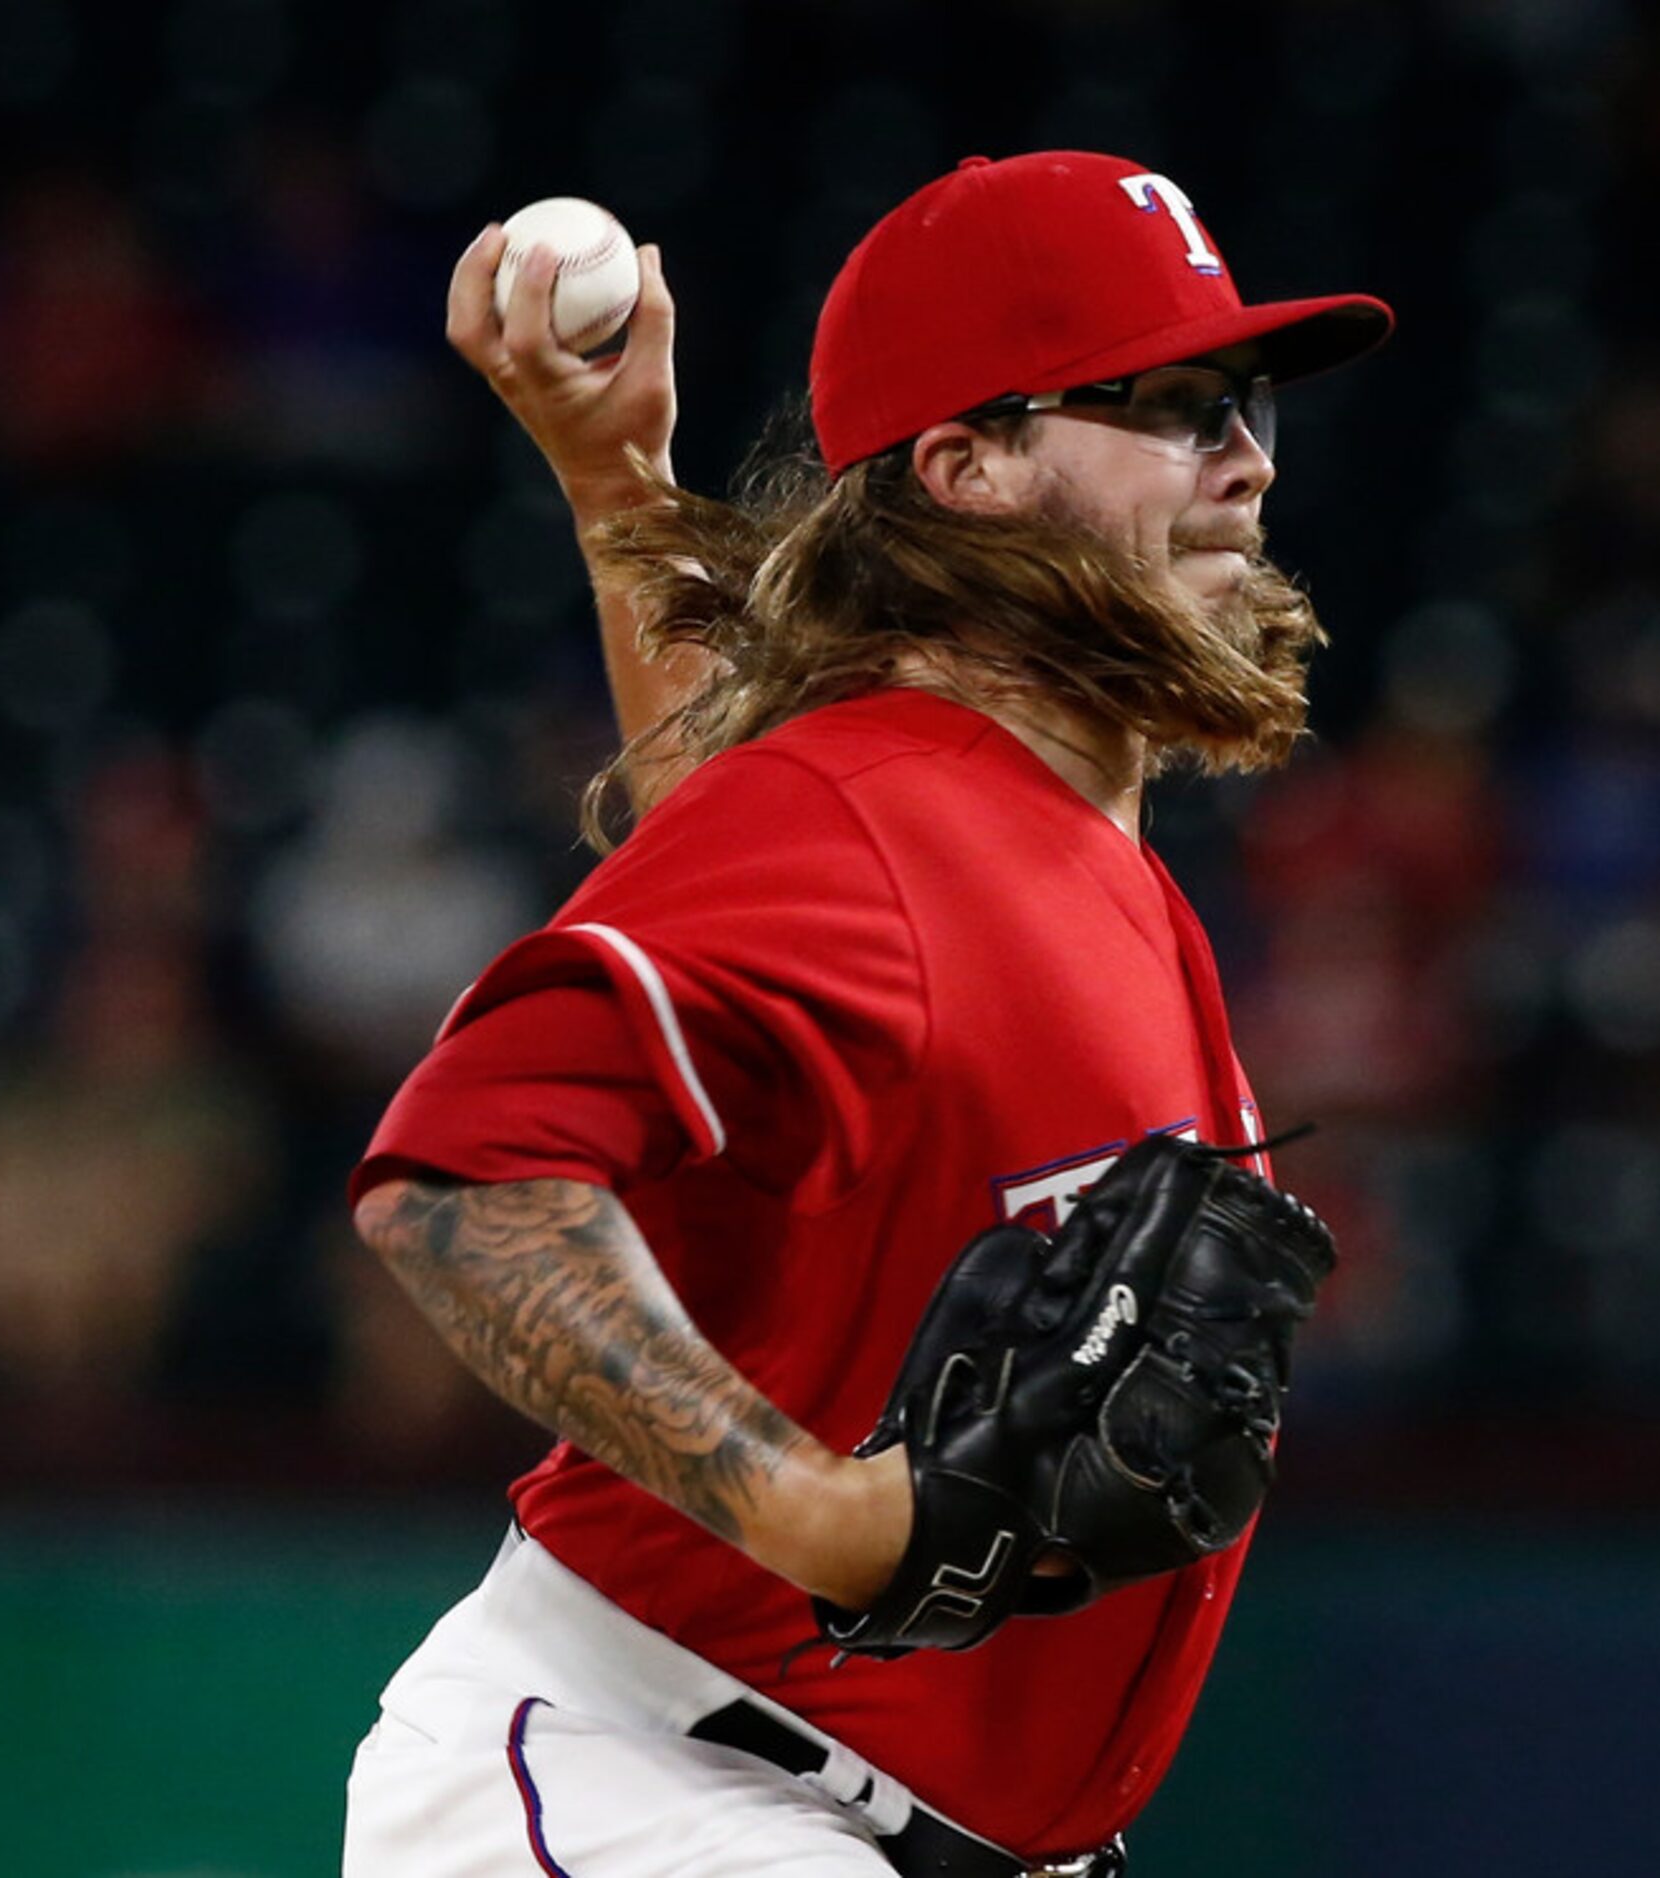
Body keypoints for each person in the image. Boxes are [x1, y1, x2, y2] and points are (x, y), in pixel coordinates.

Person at [341, 150, 1391, 1878]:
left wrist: (619, 493)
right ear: (966, 467)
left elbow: (751, 850)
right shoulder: (865, 813)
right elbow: (461, 1178)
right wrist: (826, 1516)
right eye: (1174, 403)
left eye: (1252, 402)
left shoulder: (992, 820)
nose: (1248, 457)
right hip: (669, 1781)